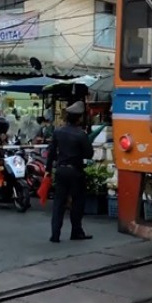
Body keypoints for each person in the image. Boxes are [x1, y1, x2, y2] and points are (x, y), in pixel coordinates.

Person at [45, 101, 94, 243]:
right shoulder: (81, 134)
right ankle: (76, 231)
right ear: (79, 118)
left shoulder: (58, 131)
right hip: (75, 172)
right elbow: (89, 154)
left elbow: (51, 152)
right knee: (77, 202)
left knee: (59, 203)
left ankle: (55, 235)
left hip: (60, 170)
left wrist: (48, 170)